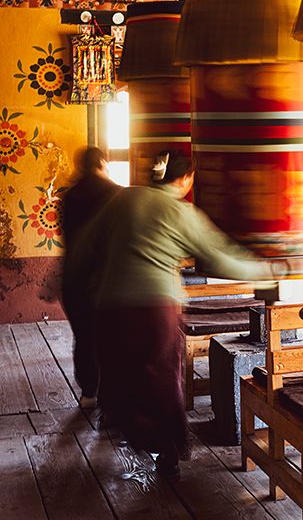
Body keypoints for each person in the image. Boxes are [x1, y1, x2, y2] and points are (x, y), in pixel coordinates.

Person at [64, 151, 288, 476]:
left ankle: (130, 428)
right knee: (162, 377)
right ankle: (168, 449)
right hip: (154, 310)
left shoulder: (121, 199)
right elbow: (221, 257)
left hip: (110, 307)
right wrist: (269, 271)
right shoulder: (179, 212)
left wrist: (77, 287)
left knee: (117, 372)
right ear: (185, 179)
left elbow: (83, 248)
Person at [60, 146, 121, 409]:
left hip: (74, 277)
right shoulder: (115, 193)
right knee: (110, 335)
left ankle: (88, 392)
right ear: (102, 163)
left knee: (83, 336)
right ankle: (111, 393)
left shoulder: (69, 196)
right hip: (106, 277)